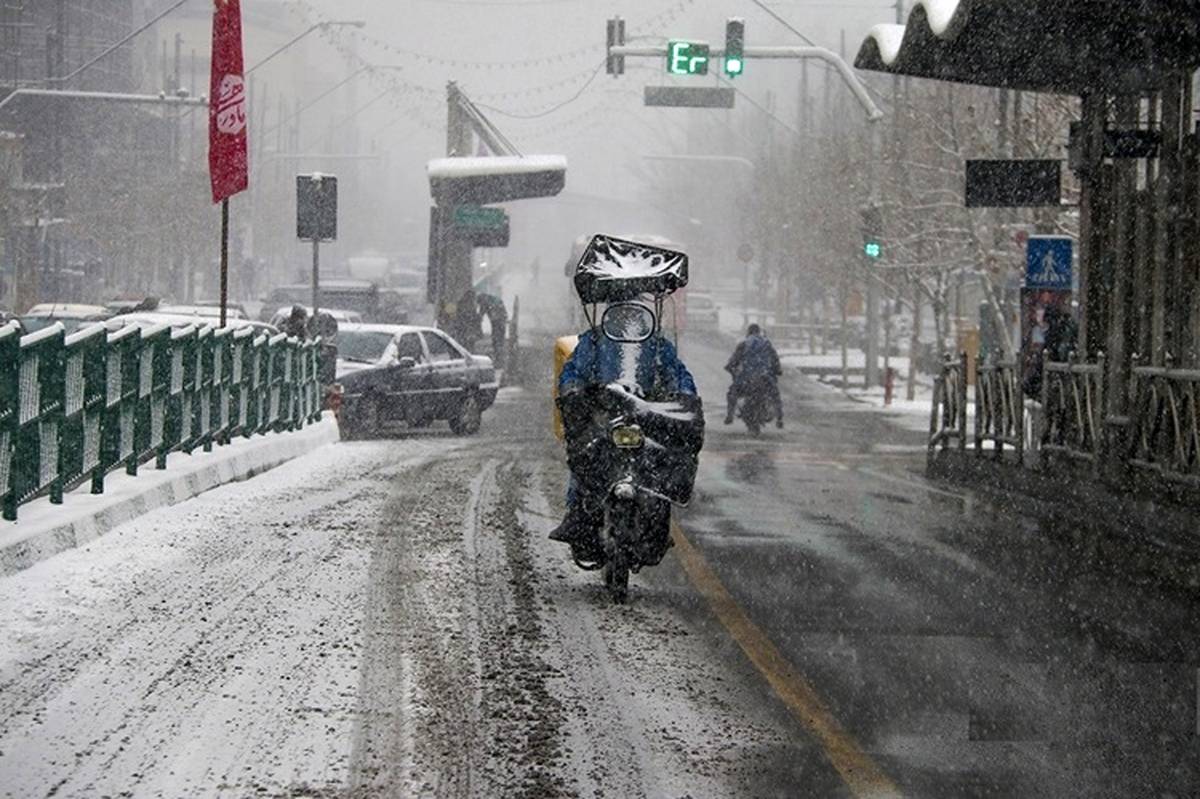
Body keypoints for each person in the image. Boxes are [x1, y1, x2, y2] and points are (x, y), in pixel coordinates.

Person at [550, 299, 698, 555]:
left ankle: (657, 525)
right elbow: (573, 371)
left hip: (645, 414)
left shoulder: (656, 344)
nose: (626, 318)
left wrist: (683, 394)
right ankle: (577, 516)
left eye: (632, 313)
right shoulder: (594, 342)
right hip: (603, 414)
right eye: (622, 312)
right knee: (584, 459)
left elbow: (678, 374)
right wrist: (572, 389)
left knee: (661, 468)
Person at [725, 324, 783, 427]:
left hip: (746, 379)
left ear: (748, 332)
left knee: (732, 393)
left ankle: (730, 415)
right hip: (765, 378)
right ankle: (779, 418)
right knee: (775, 395)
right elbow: (775, 362)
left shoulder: (743, 345)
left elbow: (732, 363)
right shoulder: (767, 345)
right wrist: (778, 371)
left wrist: (732, 371)